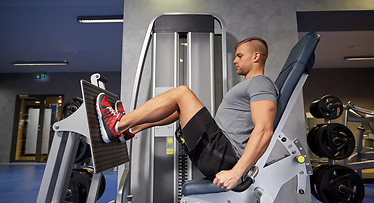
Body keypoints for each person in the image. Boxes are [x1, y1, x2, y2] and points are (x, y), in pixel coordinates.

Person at [96, 37, 278, 191]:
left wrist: (237, 172)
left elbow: (264, 130)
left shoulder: (261, 83)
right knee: (178, 109)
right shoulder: (252, 85)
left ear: (256, 56)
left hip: (225, 157)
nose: (234, 61)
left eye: (239, 56)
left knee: (181, 93)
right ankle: (130, 129)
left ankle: (117, 125)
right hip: (219, 152)